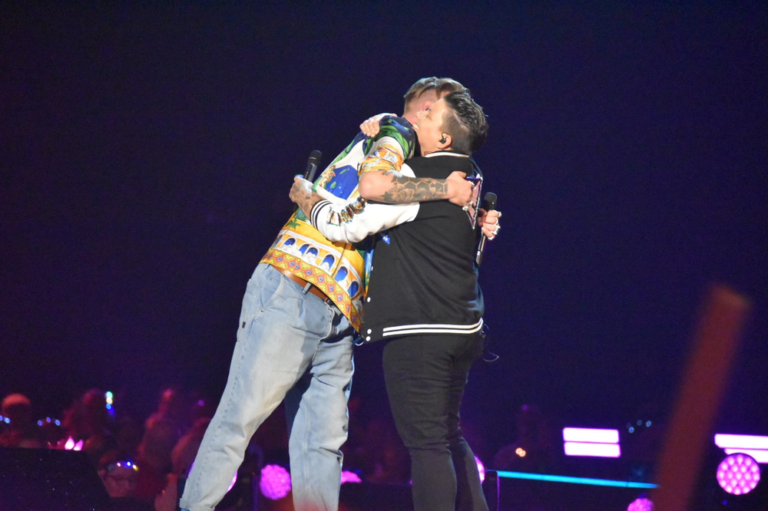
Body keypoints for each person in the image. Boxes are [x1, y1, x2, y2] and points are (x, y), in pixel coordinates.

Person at [180, 77, 481, 511]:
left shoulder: (410, 158)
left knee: (320, 447)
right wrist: (447, 188)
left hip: (341, 313)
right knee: (241, 418)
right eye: (430, 110)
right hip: (296, 288)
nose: (430, 118)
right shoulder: (395, 134)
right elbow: (353, 215)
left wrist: (477, 215)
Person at [295, 91, 494, 511]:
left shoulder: (415, 176)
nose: (417, 117)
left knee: (427, 444)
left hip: (422, 329)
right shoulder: (470, 172)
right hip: (462, 326)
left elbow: (350, 224)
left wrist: (308, 199)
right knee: (448, 434)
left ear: (443, 138)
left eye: (429, 113)